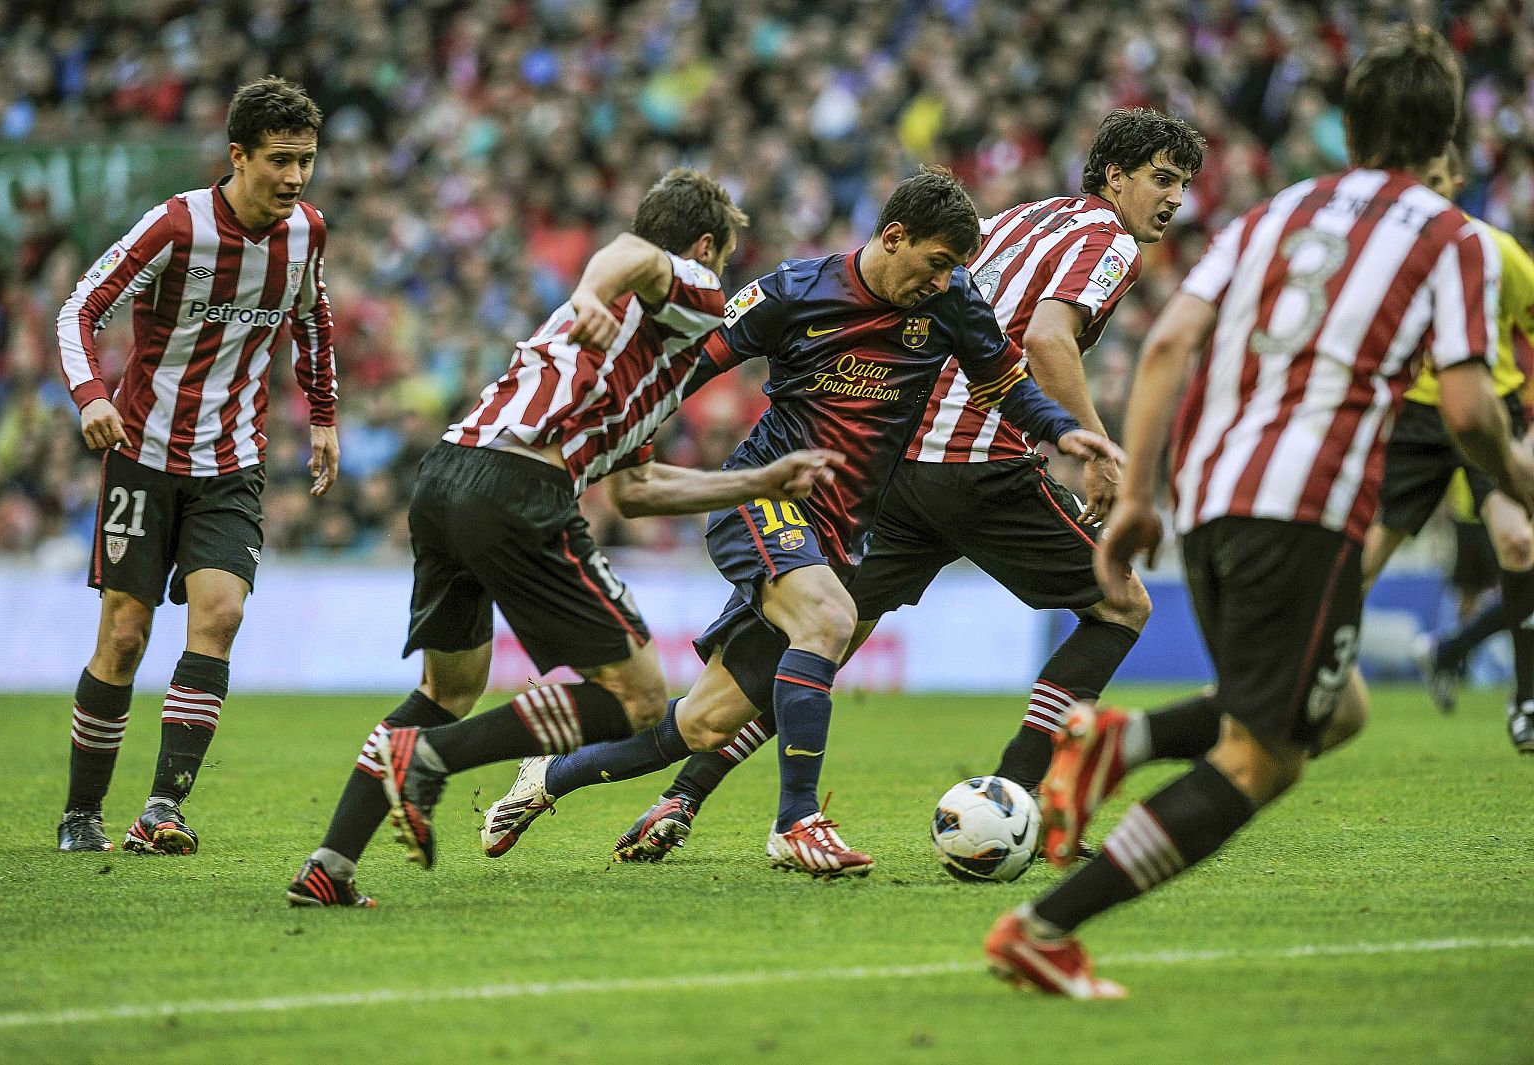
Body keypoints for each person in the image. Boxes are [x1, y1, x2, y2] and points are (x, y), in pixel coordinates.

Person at [984, 25, 1534, 998]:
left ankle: (1120, 741)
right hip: (1304, 507)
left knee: (1342, 706)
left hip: (1208, 494)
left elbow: (1164, 350)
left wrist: (1141, 495)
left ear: (1349, 126)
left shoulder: (1274, 210)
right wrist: (1520, 482)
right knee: (1264, 759)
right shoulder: (1454, 237)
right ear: (1445, 140)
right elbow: (1465, 408)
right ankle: (1042, 929)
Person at [592, 109, 1207, 865]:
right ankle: (1024, 796)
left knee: (821, 640)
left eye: (1183, 184)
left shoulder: (1017, 217)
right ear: (1116, 176)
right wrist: (1093, 448)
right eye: (1163, 178)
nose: (1176, 199)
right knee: (1121, 605)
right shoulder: (1108, 241)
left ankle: (682, 795)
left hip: (897, 466)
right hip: (980, 465)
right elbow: (1047, 337)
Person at [477, 167, 1122, 878]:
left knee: (704, 722)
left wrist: (1065, 433)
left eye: (953, 271)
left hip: (842, 528)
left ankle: (546, 779)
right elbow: (684, 369)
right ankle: (797, 823)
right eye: (935, 264)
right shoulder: (793, 291)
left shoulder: (952, 300)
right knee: (827, 620)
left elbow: (1003, 384)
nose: (942, 282)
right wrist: (628, 450)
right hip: (762, 495)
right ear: (894, 237)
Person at [284, 168, 842, 906]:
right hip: (518, 490)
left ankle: (331, 864)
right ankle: (427, 761)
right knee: (642, 699)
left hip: (447, 477)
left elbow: (638, 492)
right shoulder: (682, 288)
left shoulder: (639, 360)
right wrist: (588, 292)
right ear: (705, 245)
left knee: (446, 688)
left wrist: (760, 481)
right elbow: (633, 255)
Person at [55, 77, 339, 855]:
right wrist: (88, 395)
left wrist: (321, 415)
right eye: (280, 161)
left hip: (234, 460)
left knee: (221, 615)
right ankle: (82, 813)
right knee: (125, 635)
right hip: (141, 455)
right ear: (237, 155)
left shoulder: (308, 232)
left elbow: (314, 320)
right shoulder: (176, 226)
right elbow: (79, 306)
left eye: (306, 161)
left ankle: (162, 809)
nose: (294, 178)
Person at [1360, 143, 1534, 750]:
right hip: (1414, 419)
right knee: (1361, 560)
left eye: (1438, 180)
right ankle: (1298, 686)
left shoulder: (1496, 250)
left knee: (1518, 540)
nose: (1429, 194)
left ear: (1457, 181)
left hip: (1488, 410)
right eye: (1418, 181)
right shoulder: (1390, 255)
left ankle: (1527, 702)